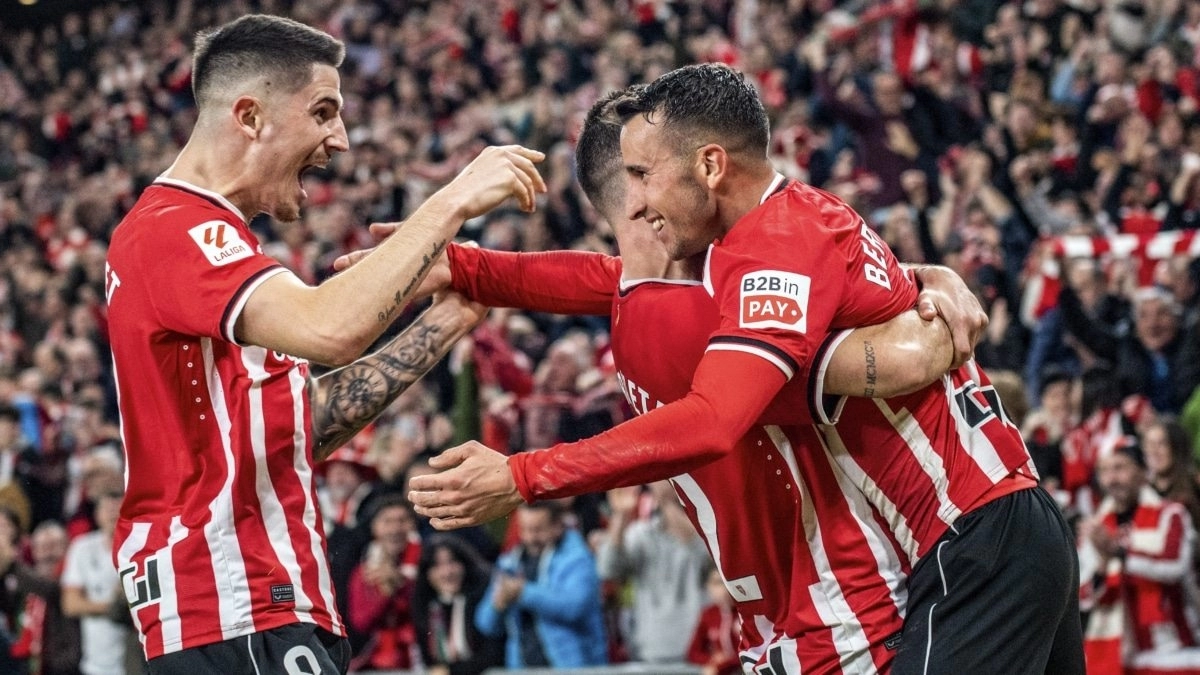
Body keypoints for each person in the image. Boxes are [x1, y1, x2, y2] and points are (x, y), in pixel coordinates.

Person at [410, 64, 1082, 674]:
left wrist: (523, 473)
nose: (643, 197)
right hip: (996, 522)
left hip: (958, 545)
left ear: (707, 166)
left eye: (647, 173)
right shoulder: (789, 226)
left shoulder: (770, 256)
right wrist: (472, 266)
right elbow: (608, 279)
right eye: (633, 179)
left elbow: (715, 418)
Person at [103, 14, 543, 674]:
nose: (338, 140)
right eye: (322, 111)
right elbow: (329, 328)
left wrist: (447, 322)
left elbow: (293, 426)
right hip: (235, 600)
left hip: (255, 603)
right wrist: (451, 198)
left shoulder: (201, 245)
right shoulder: (175, 229)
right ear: (250, 115)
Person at [1077, 438, 1200, 674]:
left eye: (1120, 468)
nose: (1111, 479)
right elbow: (1082, 596)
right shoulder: (1096, 527)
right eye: (1104, 470)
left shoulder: (1171, 514)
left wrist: (1117, 552)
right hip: (1117, 656)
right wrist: (1103, 564)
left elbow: (1173, 564)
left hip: (1174, 649)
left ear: (1143, 472)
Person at [475, 500, 607, 669]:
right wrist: (497, 605)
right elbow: (485, 625)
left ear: (558, 525)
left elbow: (575, 606)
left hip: (574, 667)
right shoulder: (510, 563)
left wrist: (523, 592)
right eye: (525, 529)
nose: (530, 537)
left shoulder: (577, 558)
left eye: (537, 530)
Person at [596, 481, 710, 666]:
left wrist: (667, 502)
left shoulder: (707, 530)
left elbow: (704, 557)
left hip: (698, 649)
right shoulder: (642, 533)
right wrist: (621, 514)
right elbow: (609, 569)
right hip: (651, 649)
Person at [345, 494, 421, 671]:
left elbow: (424, 613)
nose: (395, 529)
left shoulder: (430, 562)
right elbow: (361, 622)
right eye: (387, 521)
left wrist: (400, 583)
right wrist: (386, 592)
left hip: (419, 660)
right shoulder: (364, 572)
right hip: (375, 662)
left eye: (402, 520)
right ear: (374, 528)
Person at [411, 533, 504, 675]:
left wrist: (451, 672)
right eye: (437, 565)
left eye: (452, 562)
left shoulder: (482, 600)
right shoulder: (425, 608)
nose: (447, 572)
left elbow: (493, 653)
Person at [60, 482, 126, 675]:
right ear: (97, 514)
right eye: (107, 508)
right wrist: (114, 606)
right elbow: (70, 604)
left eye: (118, 508)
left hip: (134, 658)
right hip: (95, 664)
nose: (113, 514)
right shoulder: (82, 548)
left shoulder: (139, 547)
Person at [686, 564, 742, 675]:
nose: (724, 589)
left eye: (728, 582)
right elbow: (693, 652)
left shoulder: (748, 614)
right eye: (717, 583)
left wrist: (724, 663)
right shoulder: (708, 614)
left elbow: (756, 652)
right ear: (708, 586)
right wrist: (713, 660)